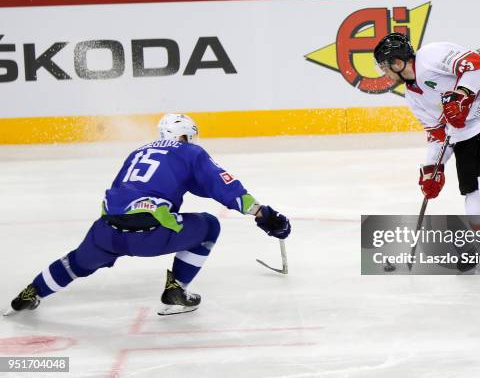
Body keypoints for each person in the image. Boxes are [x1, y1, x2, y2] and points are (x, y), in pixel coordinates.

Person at [5, 114, 291, 316]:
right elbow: (223, 186)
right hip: (152, 236)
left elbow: (121, 188)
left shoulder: (137, 152)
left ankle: (31, 293)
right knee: (209, 226)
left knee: (76, 263)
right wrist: (263, 214)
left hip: (107, 232)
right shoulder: (190, 152)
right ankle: (176, 289)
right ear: (183, 136)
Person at [374, 33, 480, 290]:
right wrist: (433, 169)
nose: (384, 73)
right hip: (464, 133)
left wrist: (463, 94)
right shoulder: (413, 97)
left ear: (397, 63)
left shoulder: (433, 55)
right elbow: (437, 133)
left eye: (385, 66)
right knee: (472, 198)